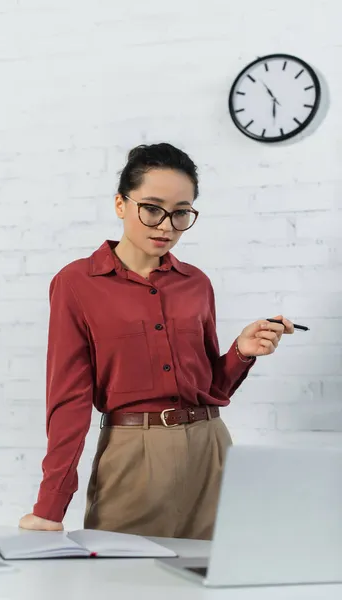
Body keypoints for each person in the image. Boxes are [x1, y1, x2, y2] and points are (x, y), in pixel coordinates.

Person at [19, 143, 294, 539]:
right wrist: (50, 506)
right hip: (132, 458)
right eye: (152, 208)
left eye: (181, 212)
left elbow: (211, 387)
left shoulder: (196, 283)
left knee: (217, 582)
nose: (166, 226)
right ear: (120, 205)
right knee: (122, 585)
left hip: (212, 450)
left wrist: (240, 353)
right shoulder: (76, 284)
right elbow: (69, 399)